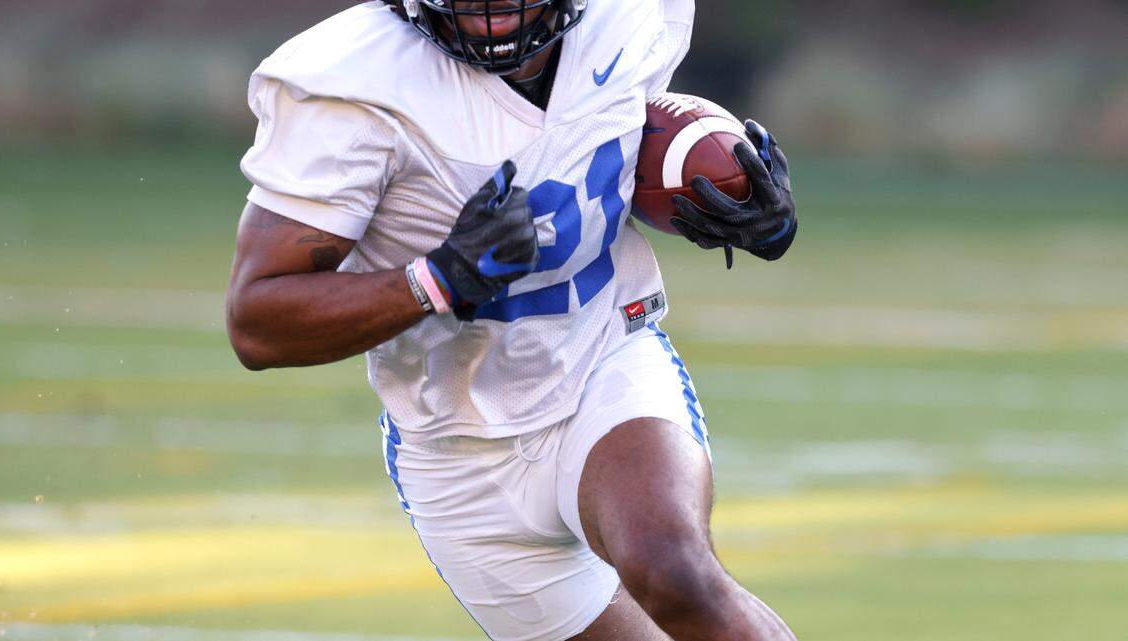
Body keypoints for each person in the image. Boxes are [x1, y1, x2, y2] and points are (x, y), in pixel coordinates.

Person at [226, 1, 799, 639]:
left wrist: (731, 201)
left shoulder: (634, 13)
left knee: (673, 569)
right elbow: (258, 321)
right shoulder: (346, 80)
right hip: (455, 451)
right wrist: (437, 278)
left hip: (601, 360)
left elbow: (603, 145)